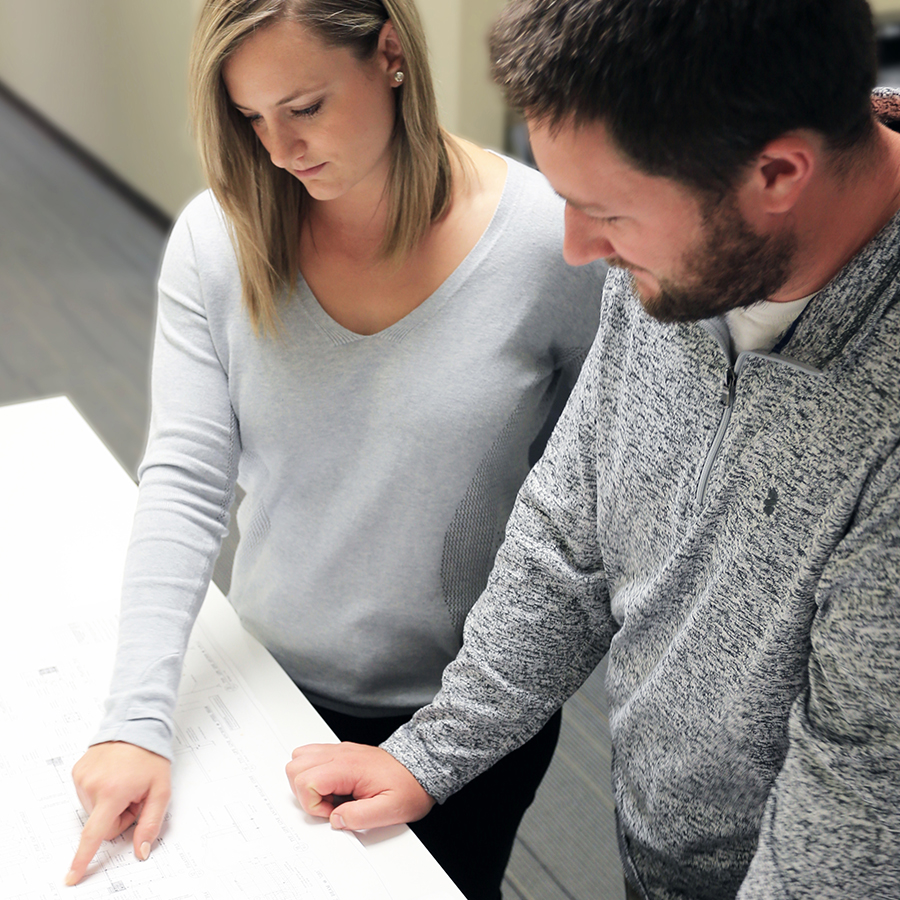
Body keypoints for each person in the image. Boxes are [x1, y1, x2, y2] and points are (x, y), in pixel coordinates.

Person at [285, 2, 900, 899]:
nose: (579, 250)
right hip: (664, 851)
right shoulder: (682, 254)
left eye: (605, 211)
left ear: (777, 173)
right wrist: (437, 745)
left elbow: (861, 792)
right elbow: (570, 528)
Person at [64, 0, 605, 895]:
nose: (280, 150)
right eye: (251, 118)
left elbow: (580, 515)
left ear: (390, 54)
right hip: (266, 684)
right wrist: (134, 721)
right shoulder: (219, 238)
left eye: (305, 106)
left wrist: (461, 731)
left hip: (467, 713)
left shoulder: (554, 244)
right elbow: (186, 482)